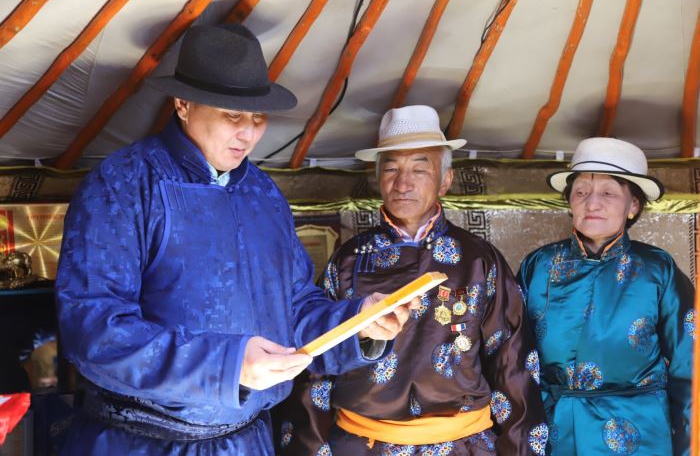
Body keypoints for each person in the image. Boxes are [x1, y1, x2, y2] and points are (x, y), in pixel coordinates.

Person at [55, 23, 418, 455]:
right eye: (232, 116)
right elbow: (94, 330)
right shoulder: (124, 184)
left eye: (258, 117)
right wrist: (229, 365)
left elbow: (295, 309)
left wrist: (358, 323)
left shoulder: (263, 194)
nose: (249, 133)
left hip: (247, 442)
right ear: (183, 104)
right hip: (141, 443)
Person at [275, 105, 548, 455]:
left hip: (462, 446)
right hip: (363, 445)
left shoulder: (479, 260)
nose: (403, 183)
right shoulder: (349, 260)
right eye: (391, 168)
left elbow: (513, 364)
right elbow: (315, 367)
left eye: (420, 169)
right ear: (378, 178)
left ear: (445, 180)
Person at [517, 137, 693, 455]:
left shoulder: (657, 268)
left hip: (640, 435)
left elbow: (689, 363)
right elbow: (511, 356)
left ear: (633, 205)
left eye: (608, 193)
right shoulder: (538, 265)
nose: (592, 203)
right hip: (556, 433)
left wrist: (689, 447)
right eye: (581, 192)